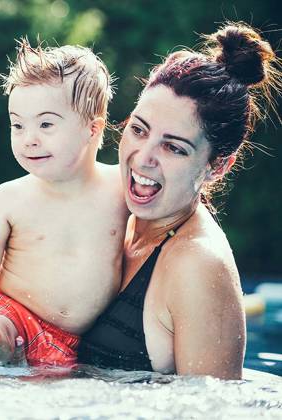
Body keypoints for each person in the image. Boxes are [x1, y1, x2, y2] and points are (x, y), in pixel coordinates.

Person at [77, 23, 280, 380]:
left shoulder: (199, 267)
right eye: (138, 130)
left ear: (217, 166)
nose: (143, 158)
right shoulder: (99, 203)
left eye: (173, 147)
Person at [0, 40, 128, 366]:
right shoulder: (10, 199)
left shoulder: (120, 191)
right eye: (18, 125)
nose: (29, 139)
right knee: (3, 335)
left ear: (92, 129)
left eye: (46, 124)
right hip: (14, 313)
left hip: (74, 343)